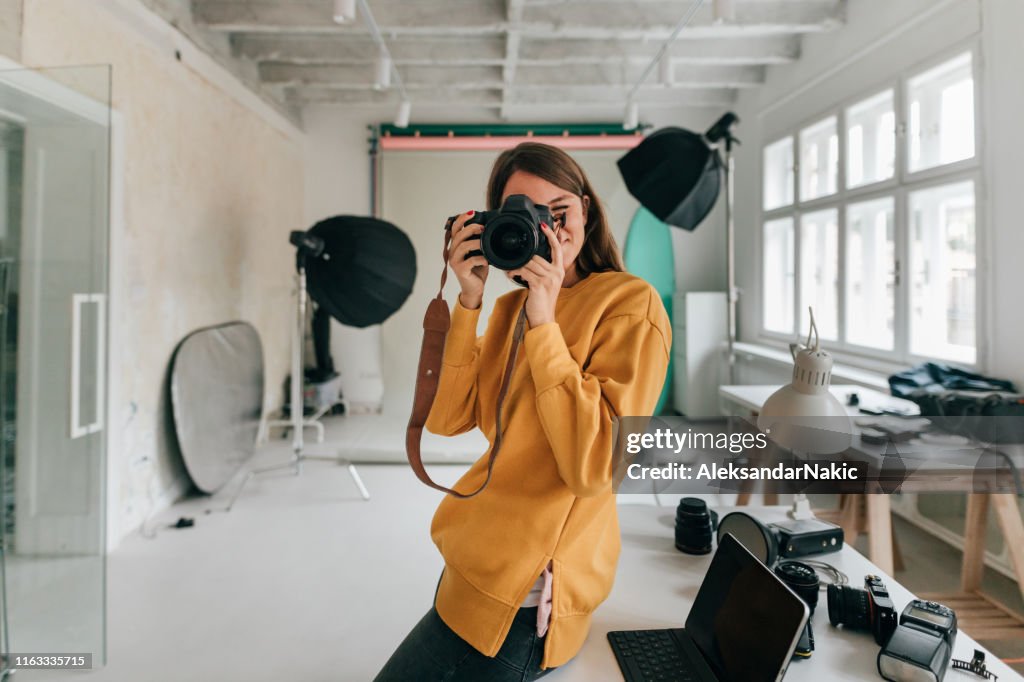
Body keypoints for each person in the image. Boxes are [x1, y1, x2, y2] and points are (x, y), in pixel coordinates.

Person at [374, 142, 671, 681]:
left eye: (558, 213)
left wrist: (545, 320)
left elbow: (594, 467)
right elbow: (446, 420)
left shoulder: (630, 302)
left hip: (524, 602)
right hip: (469, 566)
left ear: (587, 210)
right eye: (526, 217)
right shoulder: (507, 307)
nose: (549, 232)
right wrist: (468, 301)